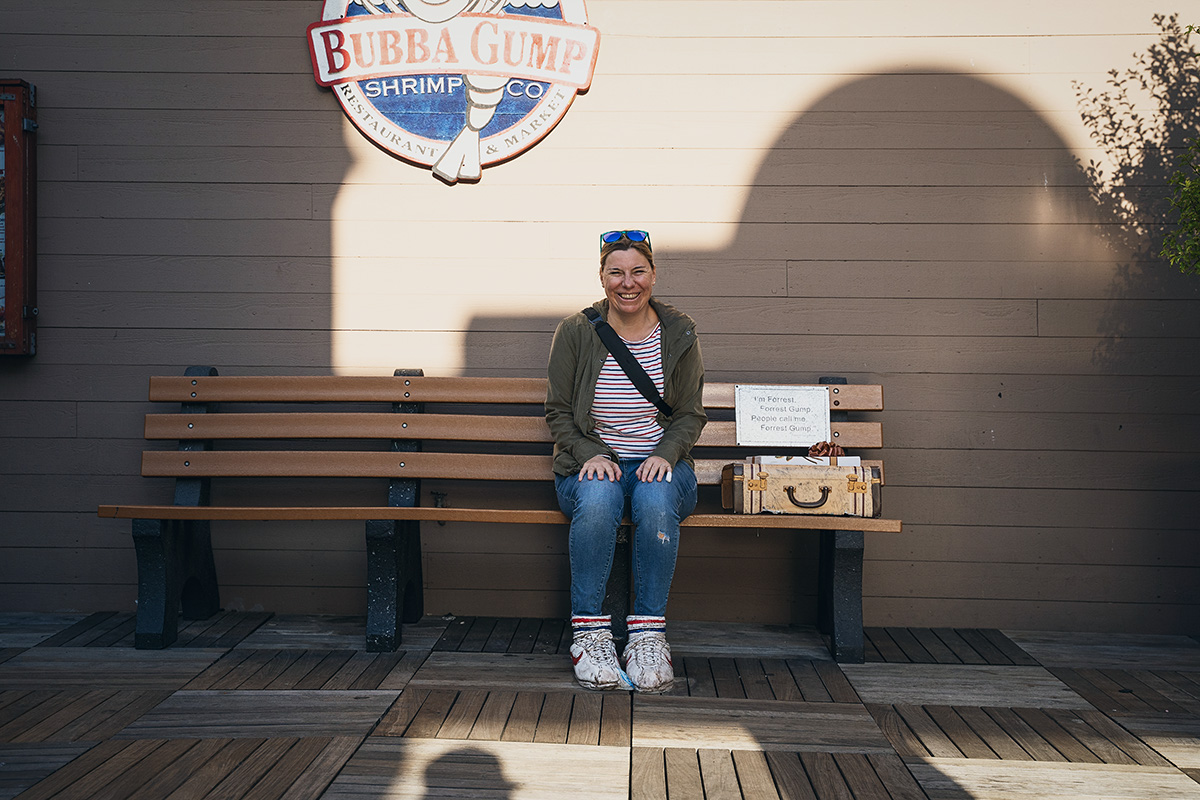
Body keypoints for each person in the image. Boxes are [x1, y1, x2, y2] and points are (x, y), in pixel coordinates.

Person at [545, 230, 706, 692]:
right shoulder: (576, 331)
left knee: (656, 499)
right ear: (602, 276)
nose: (627, 282)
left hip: (661, 465)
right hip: (593, 464)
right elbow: (557, 412)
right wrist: (588, 452)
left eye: (637, 271)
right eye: (616, 272)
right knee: (597, 496)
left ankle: (647, 635)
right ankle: (589, 635)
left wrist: (665, 452)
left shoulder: (679, 331)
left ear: (653, 275)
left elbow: (691, 413)